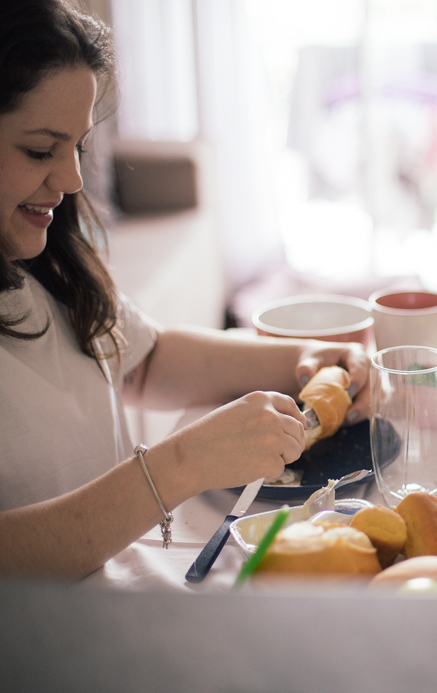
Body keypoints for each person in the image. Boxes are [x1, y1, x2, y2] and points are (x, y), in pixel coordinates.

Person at [0, 0, 370, 579]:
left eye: (77, 147)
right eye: (41, 150)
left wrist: (298, 358)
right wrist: (182, 463)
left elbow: (145, 361)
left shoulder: (45, 264)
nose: (72, 180)